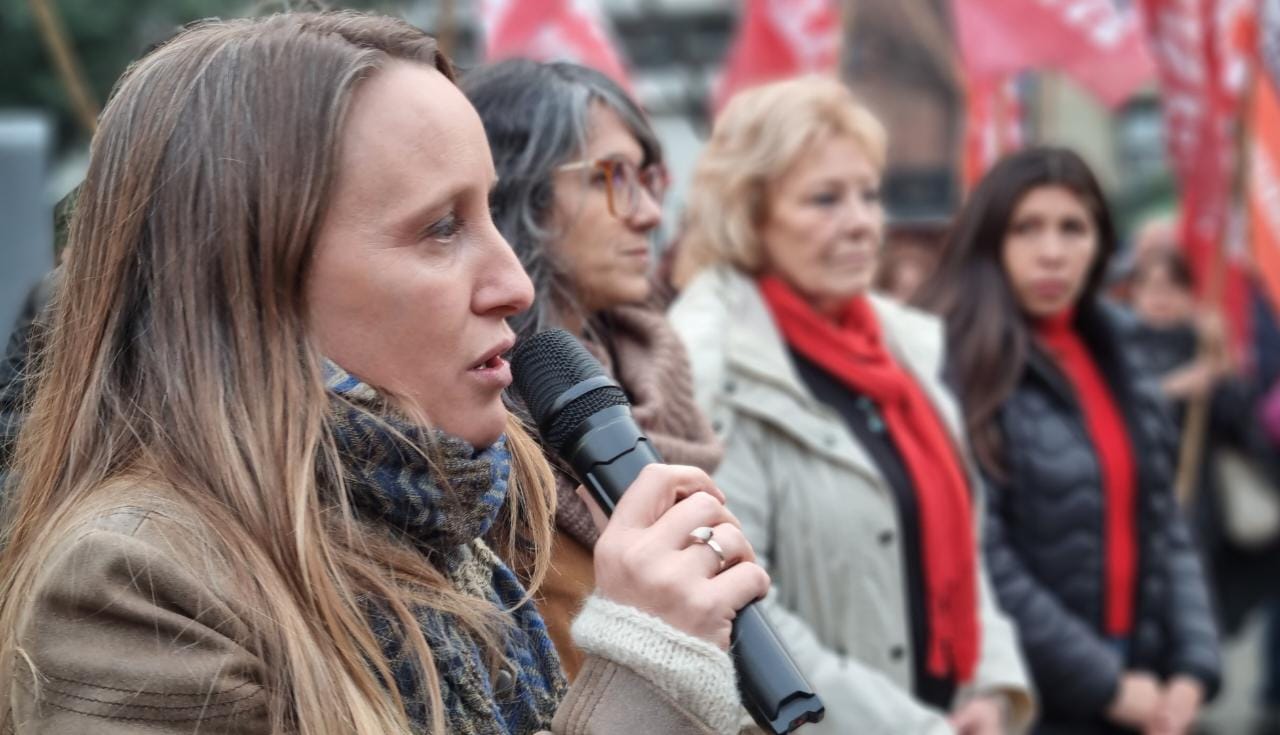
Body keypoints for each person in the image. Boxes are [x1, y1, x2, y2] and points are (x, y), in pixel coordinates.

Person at [0, 12, 770, 735]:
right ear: (252, 281)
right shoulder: (136, 587)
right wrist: (647, 670)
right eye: (441, 228)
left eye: (492, 215)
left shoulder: (466, 500)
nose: (515, 283)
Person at [668, 76, 1035, 734]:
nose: (863, 222)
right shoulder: (710, 364)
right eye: (825, 199)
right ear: (750, 214)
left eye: (869, 194)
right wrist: (913, 728)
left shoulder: (906, 346)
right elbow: (738, 612)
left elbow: (961, 553)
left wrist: (993, 689)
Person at [918, 147, 1221, 735]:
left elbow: (1165, 525)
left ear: (1101, 244)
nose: (1052, 251)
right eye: (1027, 228)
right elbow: (982, 555)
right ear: (991, 241)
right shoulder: (955, 363)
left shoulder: (1122, 351)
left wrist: (1193, 669)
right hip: (1022, 697)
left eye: (1072, 228)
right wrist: (1102, 682)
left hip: (1144, 677)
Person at [462, 59, 724, 681]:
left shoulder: (659, 369)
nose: (649, 214)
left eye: (647, 179)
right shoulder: (479, 439)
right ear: (516, 192)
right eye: (609, 177)